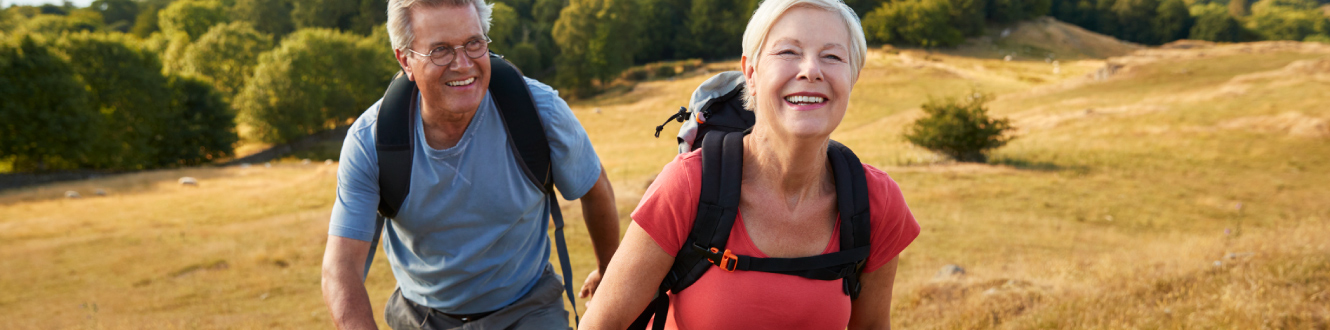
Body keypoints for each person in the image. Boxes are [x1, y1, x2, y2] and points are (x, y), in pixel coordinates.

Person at [578, 0, 920, 328]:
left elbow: (872, 326)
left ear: (853, 78)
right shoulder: (688, 186)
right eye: (789, 52)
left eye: (832, 56)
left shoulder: (876, 203)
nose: (811, 70)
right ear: (751, 74)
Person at [319, 0, 621, 329]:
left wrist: (608, 272)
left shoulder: (540, 111)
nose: (463, 64)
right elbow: (341, 269)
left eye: (474, 43)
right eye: (440, 50)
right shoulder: (371, 143)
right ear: (405, 60)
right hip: (421, 316)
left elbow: (595, 188)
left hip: (529, 306)